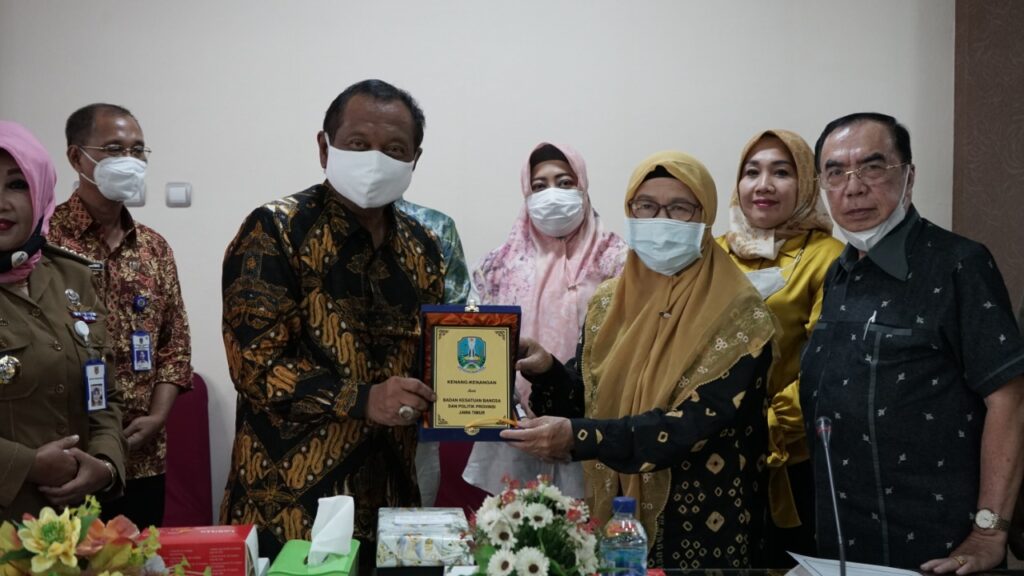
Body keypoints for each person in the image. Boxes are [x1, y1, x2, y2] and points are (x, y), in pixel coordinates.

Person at [503, 150, 777, 569]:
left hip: (703, 525)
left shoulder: (741, 315)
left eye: (680, 208)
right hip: (618, 521)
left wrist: (581, 438)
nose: (660, 220)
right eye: (646, 206)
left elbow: (690, 425)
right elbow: (585, 399)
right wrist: (547, 372)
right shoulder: (610, 303)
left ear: (705, 217)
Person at [220, 79, 445, 565]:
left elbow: (431, 358)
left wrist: (486, 368)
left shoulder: (423, 247)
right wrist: (364, 399)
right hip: (292, 504)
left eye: (394, 149)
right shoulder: (275, 229)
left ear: (415, 160)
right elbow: (256, 367)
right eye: (359, 145)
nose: (375, 160)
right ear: (325, 148)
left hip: (392, 498)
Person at [801, 112, 1024, 572]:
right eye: (835, 172)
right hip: (842, 542)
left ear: (908, 176)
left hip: (936, 548)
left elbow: (1010, 398)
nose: (853, 187)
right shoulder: (838, 273)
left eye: (872, 167)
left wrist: (989, 532)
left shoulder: (958, 264)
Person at [49, 104, 192, 529]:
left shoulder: (154, 248)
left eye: (137, 150)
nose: (129, 160)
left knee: (139, 557)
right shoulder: (45, 241)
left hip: (141, 455)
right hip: (68, 454)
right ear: (77, 157)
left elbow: (175, 343)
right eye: (114, 149)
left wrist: (158, 416)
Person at [461, 142, 626, 506]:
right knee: (516, 531)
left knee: (584, 531)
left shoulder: (618, 261)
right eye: (539, 185)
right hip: (513, 425)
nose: (552, 194)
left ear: (583, 186)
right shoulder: (496, 266)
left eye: (565, 182)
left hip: (588, 426)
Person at [716, 129, 843, 565]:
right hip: (710, 447)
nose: (763, 185)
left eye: (782, 172)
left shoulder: (829, 257)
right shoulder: (712, 254)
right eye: (751, 172)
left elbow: (827, 364)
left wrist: (768, 426)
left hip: (790, 452)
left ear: (805, 183)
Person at [0, 120, 125, 520]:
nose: (1, 202)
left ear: (40, 191)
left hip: (76, 526)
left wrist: (105, 464)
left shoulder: (72, 276)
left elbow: (103, 394)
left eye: (16, 184)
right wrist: (25, 465)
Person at [394, 198, 471, 507]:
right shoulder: (292, 227)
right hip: (328, 421)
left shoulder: (435, 228)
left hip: (416, 413)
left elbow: (455, 324)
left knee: (411, 524)